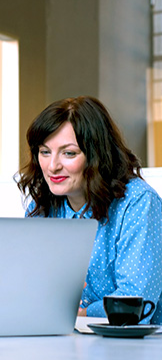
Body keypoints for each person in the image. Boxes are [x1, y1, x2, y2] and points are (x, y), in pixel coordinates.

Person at [16, 96, 162, 323]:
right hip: (63, 342)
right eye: (45, 152)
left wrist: (84, 313)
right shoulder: (42, 206)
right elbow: (28, 290)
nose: (52, 166)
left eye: (69, 153)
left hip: (133, 347)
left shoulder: (138, 202)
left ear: (96, 156)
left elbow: (136, 302)